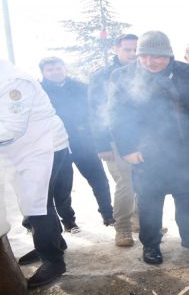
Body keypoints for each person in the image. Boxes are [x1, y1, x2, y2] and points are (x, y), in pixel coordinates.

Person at [109, 31, 189, 265]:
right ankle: (151, 245)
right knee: (150, 203)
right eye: (144, 56)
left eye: (157, 56)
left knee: (186, 198)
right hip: (146, 152)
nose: (150, 61)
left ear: (169, 55)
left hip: (184, 149)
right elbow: (117, 115)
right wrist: (128, 148)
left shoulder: (187, 72)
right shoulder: (123, 76)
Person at [0, 58, 69, 288]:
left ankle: (53, 260)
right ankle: (53, 242)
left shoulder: (14, 82)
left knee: (37, 206)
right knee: (32, 202)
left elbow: (11, 127)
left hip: (44, 148)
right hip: (25, 151)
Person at [39, 57, 114, 228]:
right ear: (43, 72)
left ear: (65, 68)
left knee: (99, 180)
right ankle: (69, 221)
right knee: (62, 186)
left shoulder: (81, 87)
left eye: (58, 68)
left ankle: (108, 214)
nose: (55, 72)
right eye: (50, 70)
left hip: (84, 142)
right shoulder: (40, 92)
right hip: (57, 145)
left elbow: (95, 112)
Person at [88, 33, 139, 247]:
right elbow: (95, 111)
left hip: (142, 137)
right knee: (125, 183)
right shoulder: (103, 76)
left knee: (142, 183)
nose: (133, 53)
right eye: (128, 49)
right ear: (116, 50)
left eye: (136, 49)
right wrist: (102, 144)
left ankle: (140, 221)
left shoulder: (145, 70)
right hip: (115, 138)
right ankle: (123, 229)